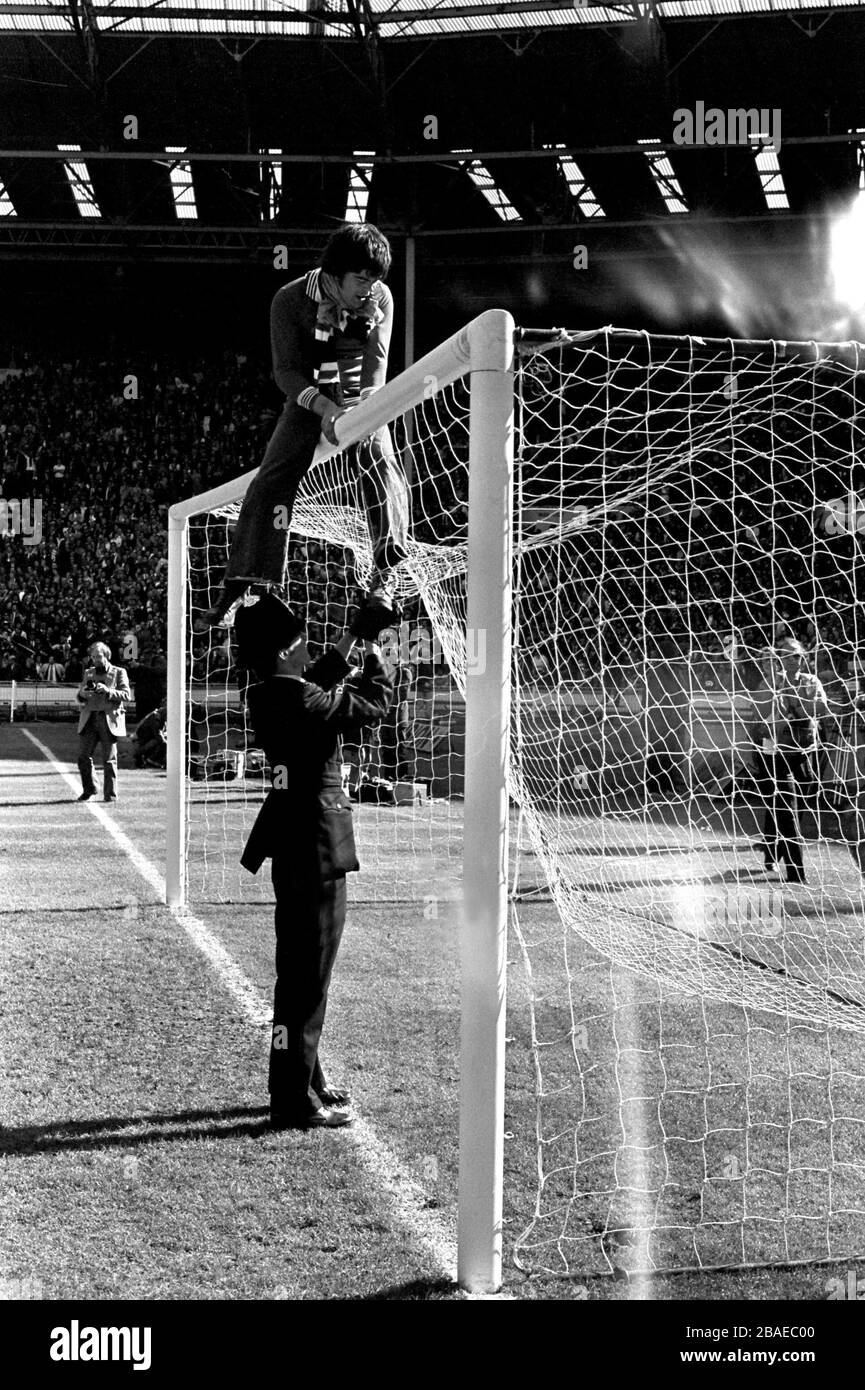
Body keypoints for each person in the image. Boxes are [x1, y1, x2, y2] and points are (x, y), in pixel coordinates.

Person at [196, 222, 409, 632]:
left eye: (375, 278)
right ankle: (237, 586)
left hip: (356, 393)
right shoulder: (289, 299)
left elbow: (376, 365)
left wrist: (362, 410)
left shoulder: (381, 297)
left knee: (379, 456)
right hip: (309, 395)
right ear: (334, 272)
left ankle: (385, 578)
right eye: (361, 277)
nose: (369, 287)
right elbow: (287, 373)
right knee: (272, 476)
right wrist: (326, 408)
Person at [235, 592, 394, 1130]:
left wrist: (355, 633)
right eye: (301, 641)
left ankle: (304, 1079)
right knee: (308, 981)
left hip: (292, 849)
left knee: (296, 976)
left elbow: (318, 677)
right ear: (285, 653)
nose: (311, 647)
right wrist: (376, 650)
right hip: (318, 851)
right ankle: (294, 1101)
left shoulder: (267, 694)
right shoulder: (304, 702)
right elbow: (372, 704)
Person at [749, 636, 830, 883]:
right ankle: (796, 873)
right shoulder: (771, 683)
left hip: (805, 754)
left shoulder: (810, 681)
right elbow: (760, 716)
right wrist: (777, 692)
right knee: (786, 807)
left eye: (795, 655)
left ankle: (771, 851)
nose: (790, 659)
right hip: (777, 754)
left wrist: (793, 709)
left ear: (803, 658)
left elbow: (820, 709)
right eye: (784, 654)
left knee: (792, 807)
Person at [75, 641, 132, 802]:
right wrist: (83, 693)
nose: (96, 660)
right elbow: (80, 695)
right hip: (89, 718)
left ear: (106, 656)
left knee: (109, 759)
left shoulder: (119, 672)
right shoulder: (88, 673)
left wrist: (108, 691)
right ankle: (90, 788)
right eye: (93, 657)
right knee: (83, 756)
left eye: (99, 656)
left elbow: (127, 695)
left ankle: (110, 795)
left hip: (108, 718)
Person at [134, 703, 167, 769]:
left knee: (164, 740)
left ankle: (152, 759)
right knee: (163, 743)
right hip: (144, 738)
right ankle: (152, 760)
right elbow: (158, 734)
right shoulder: (155, 718)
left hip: (148, 737)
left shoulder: (158, 715)